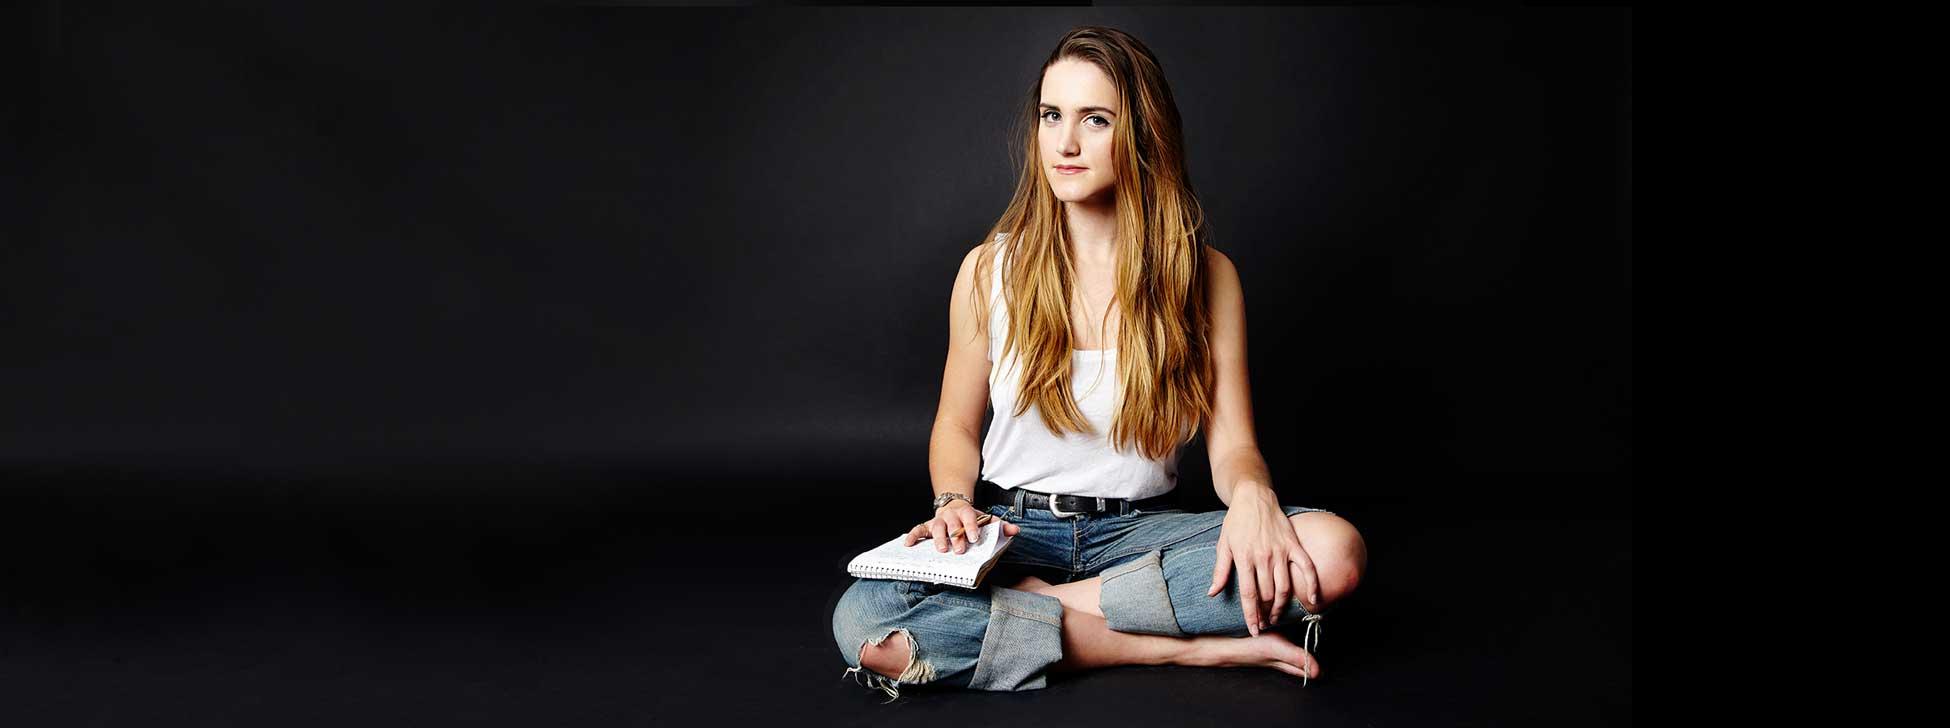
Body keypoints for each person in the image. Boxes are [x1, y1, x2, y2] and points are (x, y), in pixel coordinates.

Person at [831, 25, 1368, 701]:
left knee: (1332, 551)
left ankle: (1044, 613)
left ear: (1142, 135)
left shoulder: (1206, 276)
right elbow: (956, 427)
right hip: (1012, 532)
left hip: (1142, 538)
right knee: (869, 622)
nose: (1065, 143)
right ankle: (1167, 647)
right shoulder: (989, 271)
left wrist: (1254, 496)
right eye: (1051, 115)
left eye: (1095, 120)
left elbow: (1234, 447)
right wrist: (954, 503)